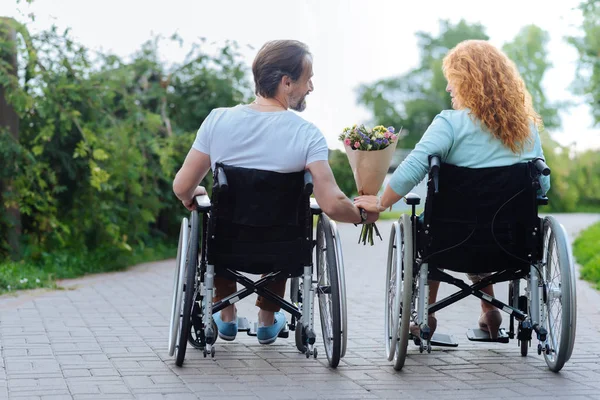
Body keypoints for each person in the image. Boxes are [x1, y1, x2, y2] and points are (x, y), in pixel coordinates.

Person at [173, 40, 379, 345]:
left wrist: (193, 192)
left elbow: (181, 186)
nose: (311, 87)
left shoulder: (217, 120)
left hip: (228, 244)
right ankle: (268, 320)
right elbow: (332, 203)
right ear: (286, 82)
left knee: (220, 216)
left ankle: (225, 316)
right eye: (308, 78)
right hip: (281, 248)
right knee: (286, 223)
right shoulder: (306, 134)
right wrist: (363, 215)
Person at [354, 39, 550, 339]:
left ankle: (427, 316)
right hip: (512, 242)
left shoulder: (449, 124)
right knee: (488, 225)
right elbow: (543, 185)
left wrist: (381, 202)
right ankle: (489, 311)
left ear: (468, 83)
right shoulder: (525, 128)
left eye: (452, 82)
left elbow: (411, 169)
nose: (449, 89)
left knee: (432, 230)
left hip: (451, 239)